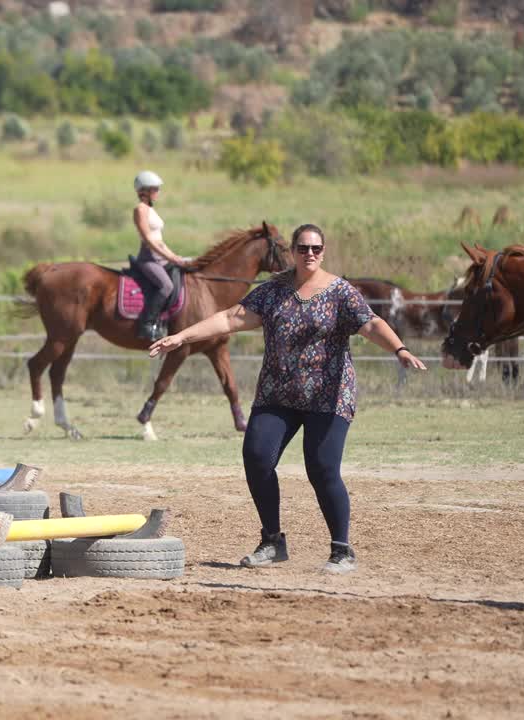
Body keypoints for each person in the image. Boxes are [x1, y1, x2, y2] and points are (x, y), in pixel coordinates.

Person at [148, 224, 427, 574]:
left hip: (328, 395)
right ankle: (272, 541)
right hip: (278, 394)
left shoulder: (341, 292)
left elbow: (370, 324)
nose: (309, 253)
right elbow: (230, 318)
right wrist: (180, 337)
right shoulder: (273, 291)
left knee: (322, 469)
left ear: (323, 252)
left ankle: (342, 550)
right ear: (293, 251)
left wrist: (398, 349)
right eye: (303, 248)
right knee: (256, 456)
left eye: (316, 248)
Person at [131, 170, 190, 340]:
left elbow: (160, 241)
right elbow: (149, 240)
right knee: (166, 286)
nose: (158, 192)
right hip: (149, 258)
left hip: (161, 257)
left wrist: (175, 257)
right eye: (155, 189)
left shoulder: (150, 209)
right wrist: (171, 258)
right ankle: (147, 324)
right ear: (144, 191)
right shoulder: (140, 210)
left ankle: (167, 320)